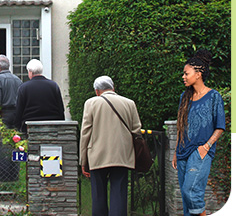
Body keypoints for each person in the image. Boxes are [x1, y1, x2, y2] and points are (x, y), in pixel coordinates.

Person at [171, 50, 225, 216]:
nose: (183, 77)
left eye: (186, 73)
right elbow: (181, 127)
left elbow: (220, 127)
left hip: (200, 151)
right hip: (183, 151)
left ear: (198, 74)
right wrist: (176, 152)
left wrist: (206, 147)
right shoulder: (184, 97)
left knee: (191, 191)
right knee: (186, 200)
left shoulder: (214, 96)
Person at [79, 75, 142, 216]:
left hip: (97, 155)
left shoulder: (91, 103)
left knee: (98, 195)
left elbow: (85, 133)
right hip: (122, 155)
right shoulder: (129, 103)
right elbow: (136, 130)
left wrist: (83, 160)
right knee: (119, 193)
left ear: (97, 91)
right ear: (113, 88)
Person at [0, 55, 23, 181]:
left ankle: (3, 174)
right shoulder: (17, 79)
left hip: (4, 114)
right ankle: (15, 173)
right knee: (16, 143)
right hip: (17, 114)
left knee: (1, 144)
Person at [14, 59, 65, 132]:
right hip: (52, 124)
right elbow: (60, 108)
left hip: (30, 125)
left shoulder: (24, 88)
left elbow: (19, 110)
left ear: (30, 72)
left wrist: (18, 127)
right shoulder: (53, 86)